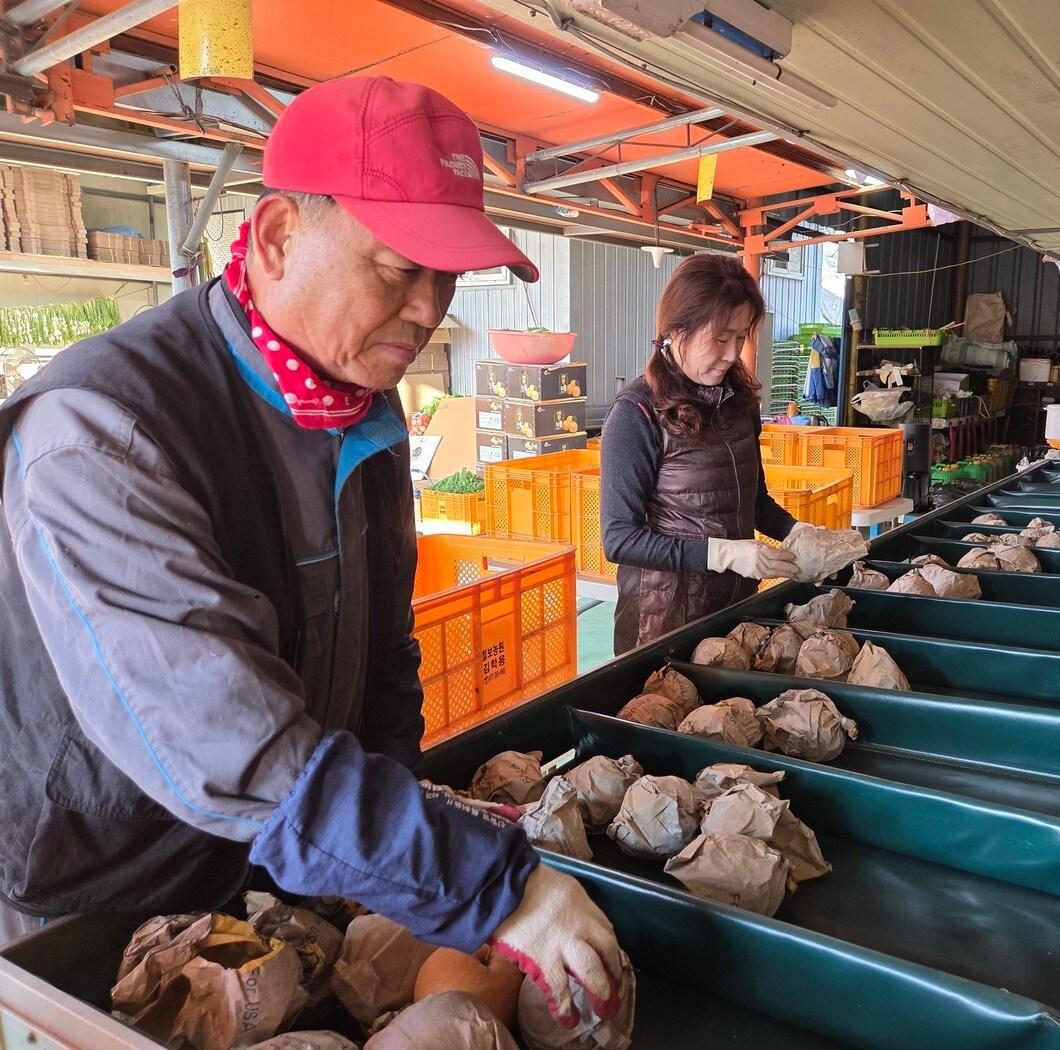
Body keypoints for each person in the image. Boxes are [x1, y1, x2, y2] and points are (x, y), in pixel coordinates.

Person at [0, 76, 621, 1027]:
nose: (428, 309)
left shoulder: (362, 415)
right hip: (87, 902)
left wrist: (386, 839)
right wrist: (493, 888)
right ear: (282, 234)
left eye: (446, 275)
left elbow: (382, 654)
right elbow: (234, 749)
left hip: (256, 871)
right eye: (397, 266)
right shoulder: (103, 433)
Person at [601, 254, 811, 653]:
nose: (733, 353)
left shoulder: (737, 403)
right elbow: (619, 539)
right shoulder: (638, 412)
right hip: (663, 624)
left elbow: (754, 500)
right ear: (677, 329)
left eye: (740, 336)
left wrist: (796, 531)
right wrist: (723, 553)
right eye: (720, 337)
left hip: (734, 612)